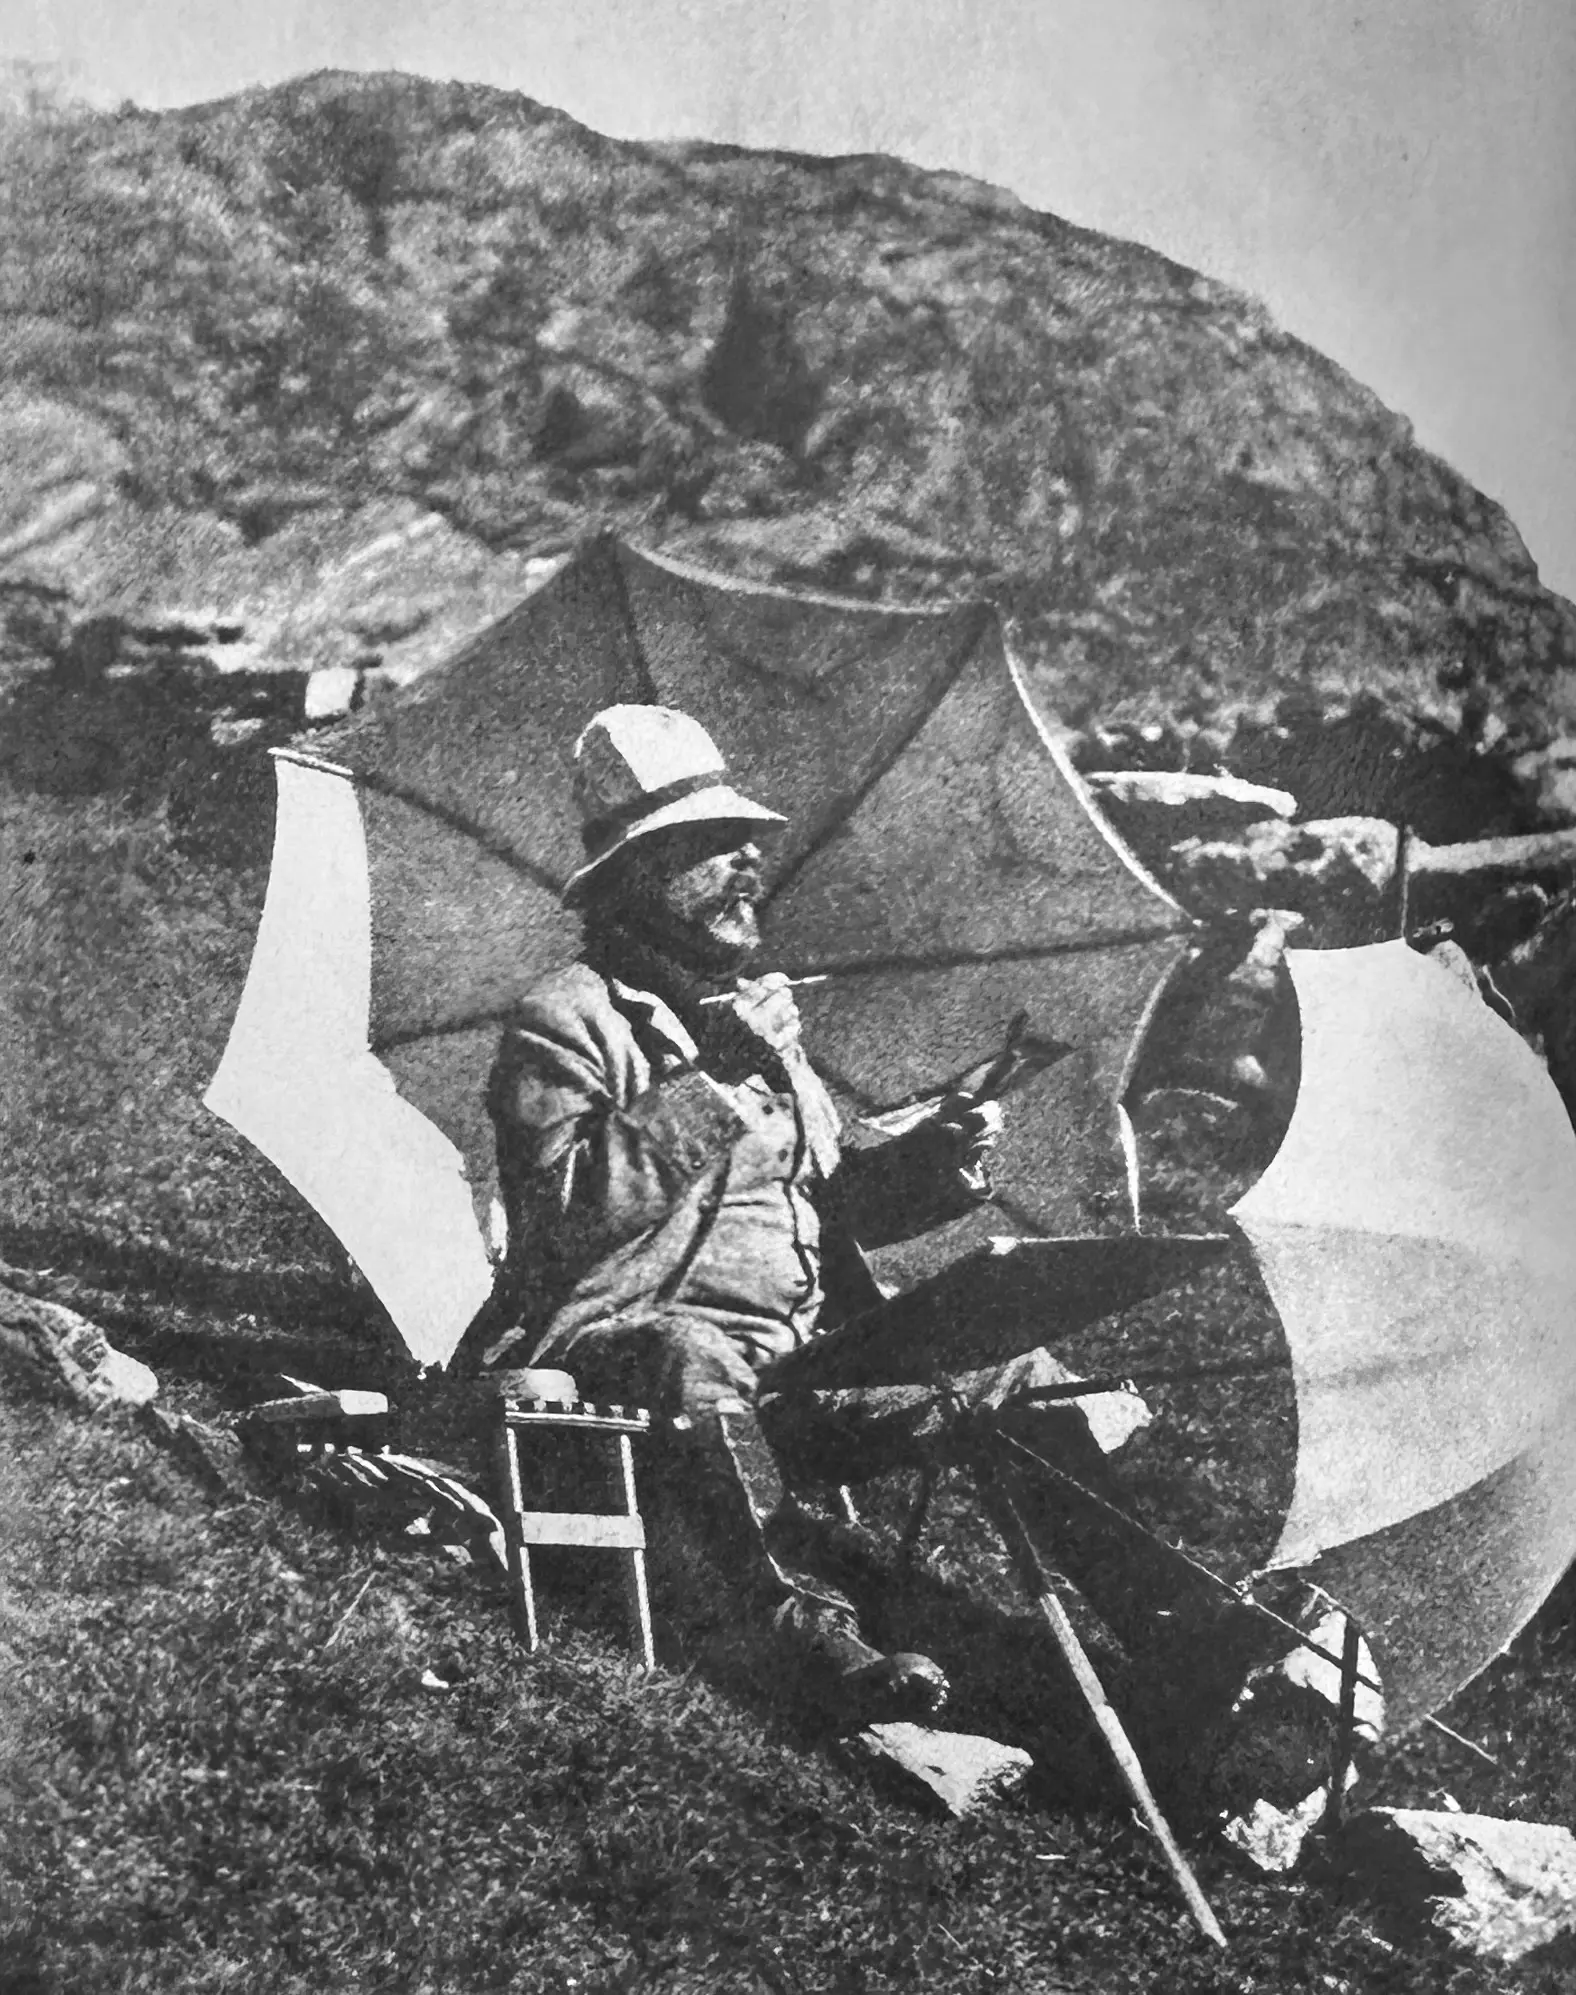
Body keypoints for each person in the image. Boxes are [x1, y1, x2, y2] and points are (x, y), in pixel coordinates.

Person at [456, 704, 1265, 1728]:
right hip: (629, 1355)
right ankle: (810, 1638)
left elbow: (817, 1210)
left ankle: (1182, 1628)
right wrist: (712, 1081)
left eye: (746, 844)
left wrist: (931, 1170)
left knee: (1021, 1370)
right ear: (633, 879)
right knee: (682, 1351)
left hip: (797, 1362)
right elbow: (558, 1223)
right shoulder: (565, 1018)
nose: (749, 864)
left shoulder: (758, 1020)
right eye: (710, 850)